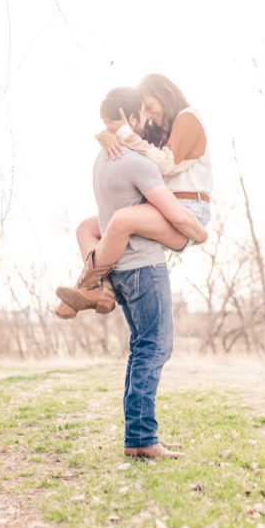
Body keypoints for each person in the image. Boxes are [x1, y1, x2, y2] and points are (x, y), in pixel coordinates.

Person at [56, 87, 199, 463]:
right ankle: (142, 437)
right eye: (142, 115)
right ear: (128, 116)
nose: (146, 123)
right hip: (143, 268)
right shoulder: (137, 162)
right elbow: (172, 211)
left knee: (141, 348)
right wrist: (195, 231)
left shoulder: (101, 160)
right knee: (156, 347)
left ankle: (138, 437)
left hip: (119, 270)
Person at [56, 77, 212, 318]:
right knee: (86, 228)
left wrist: (123, 133)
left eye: (150, 106)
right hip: (161, 208)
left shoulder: (189, 117)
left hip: (188, 208)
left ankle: (85, 284)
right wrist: (105, 136)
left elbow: (167, 164)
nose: (148, 115)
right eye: (144, 110)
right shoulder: (161, 130)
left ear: (164, 94)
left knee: (121, 220)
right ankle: (104, 289)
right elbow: (134, 139)